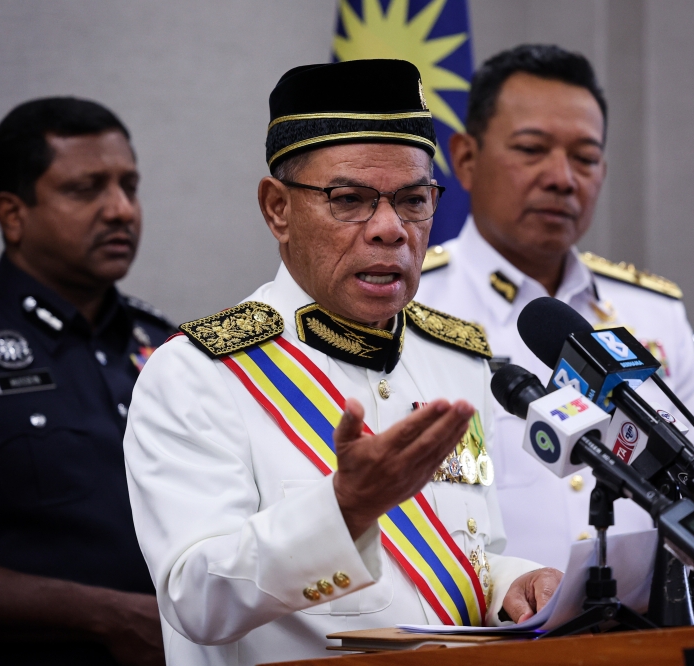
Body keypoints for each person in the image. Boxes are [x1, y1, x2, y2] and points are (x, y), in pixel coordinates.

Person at [123, 59, 563, 665]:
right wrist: (343, 509)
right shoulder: (196, 374)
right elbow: (196, 599)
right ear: (277, 208)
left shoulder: (456, 359)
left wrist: (508, 584)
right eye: (350, 199)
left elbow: (469, 554)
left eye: (413, 200)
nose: (390, 229)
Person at [414, 45, 694, 571]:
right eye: (532, 149)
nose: (562, 178)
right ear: (464, 158)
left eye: (585, 157)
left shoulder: (652, 315)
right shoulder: (410, 306)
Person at [0, 97, 173, 665]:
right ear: (12, 213)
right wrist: (107, 616)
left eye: (130, 185)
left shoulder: (170, 348)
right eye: (86, 189)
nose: (121, 210)